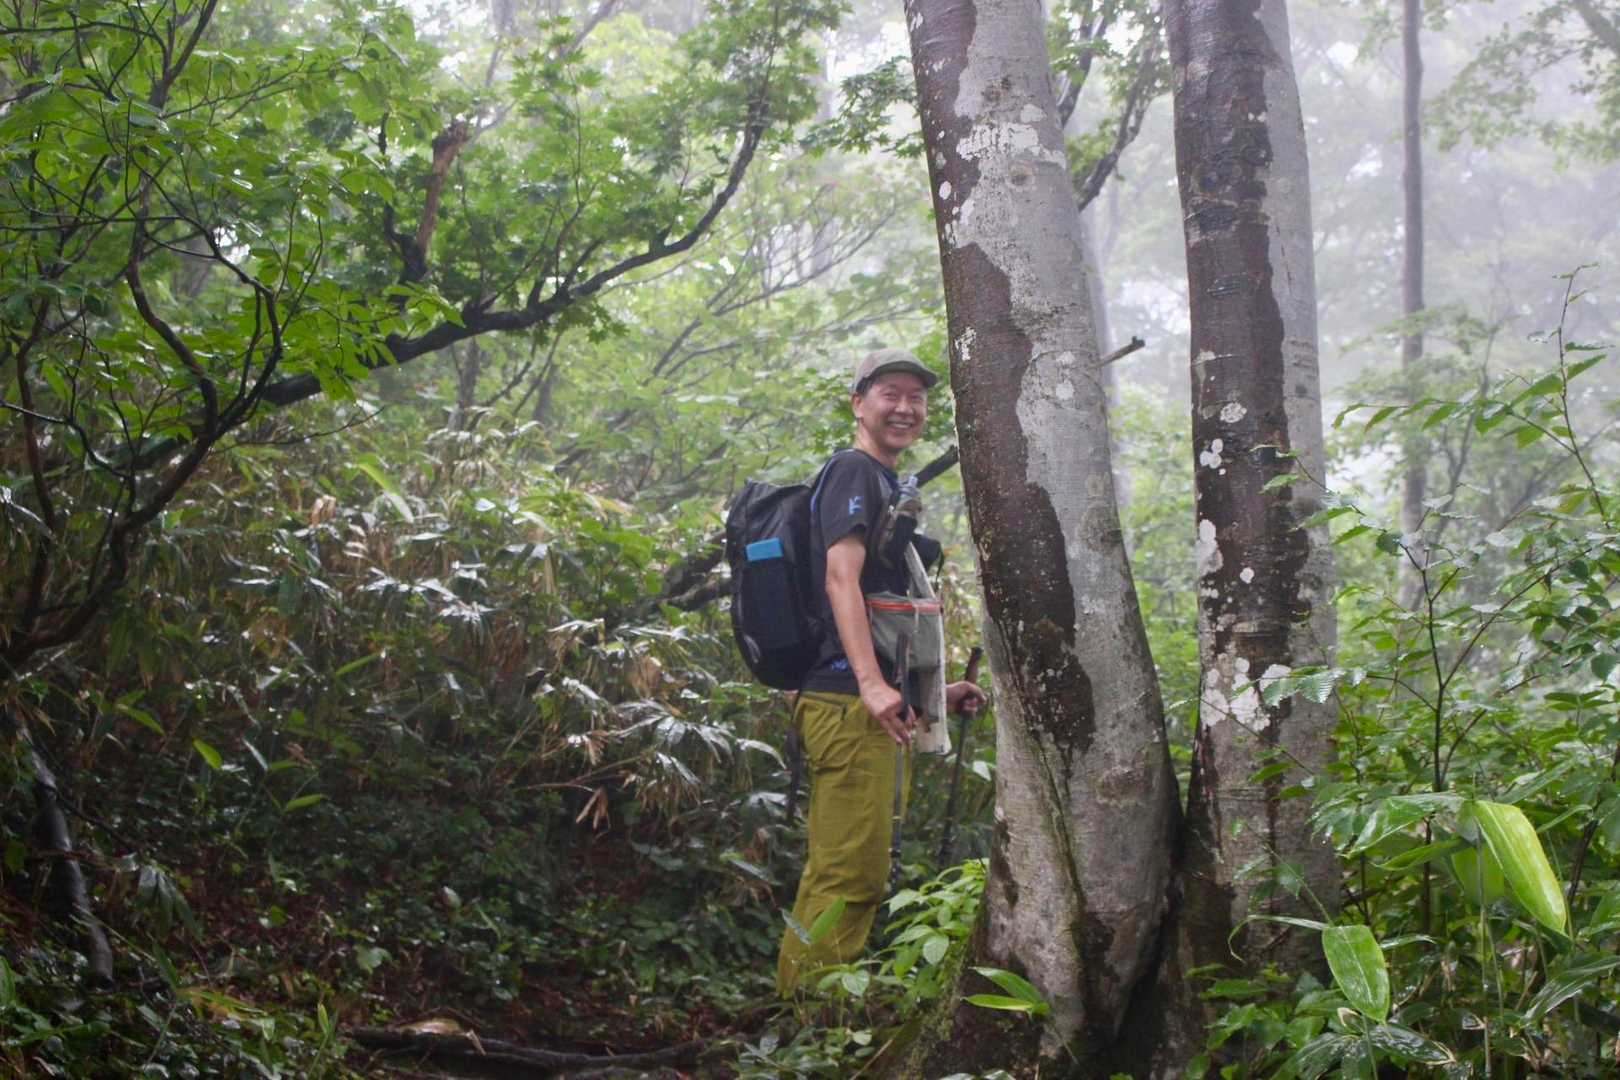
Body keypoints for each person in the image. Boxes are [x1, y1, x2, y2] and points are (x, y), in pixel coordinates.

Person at [775, 347, 987, 995]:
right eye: (889, 393)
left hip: (866, 703)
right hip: (847, 702)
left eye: (915, 397)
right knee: (849, 875)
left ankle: (805, 1007)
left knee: (846, 868)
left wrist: (930, 692)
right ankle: (810, 1021)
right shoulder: (853, 471)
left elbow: (881, 606)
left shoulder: (887, 483)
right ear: (858, 403)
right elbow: (841, 579)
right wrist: (870, 684)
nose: (904, 407)